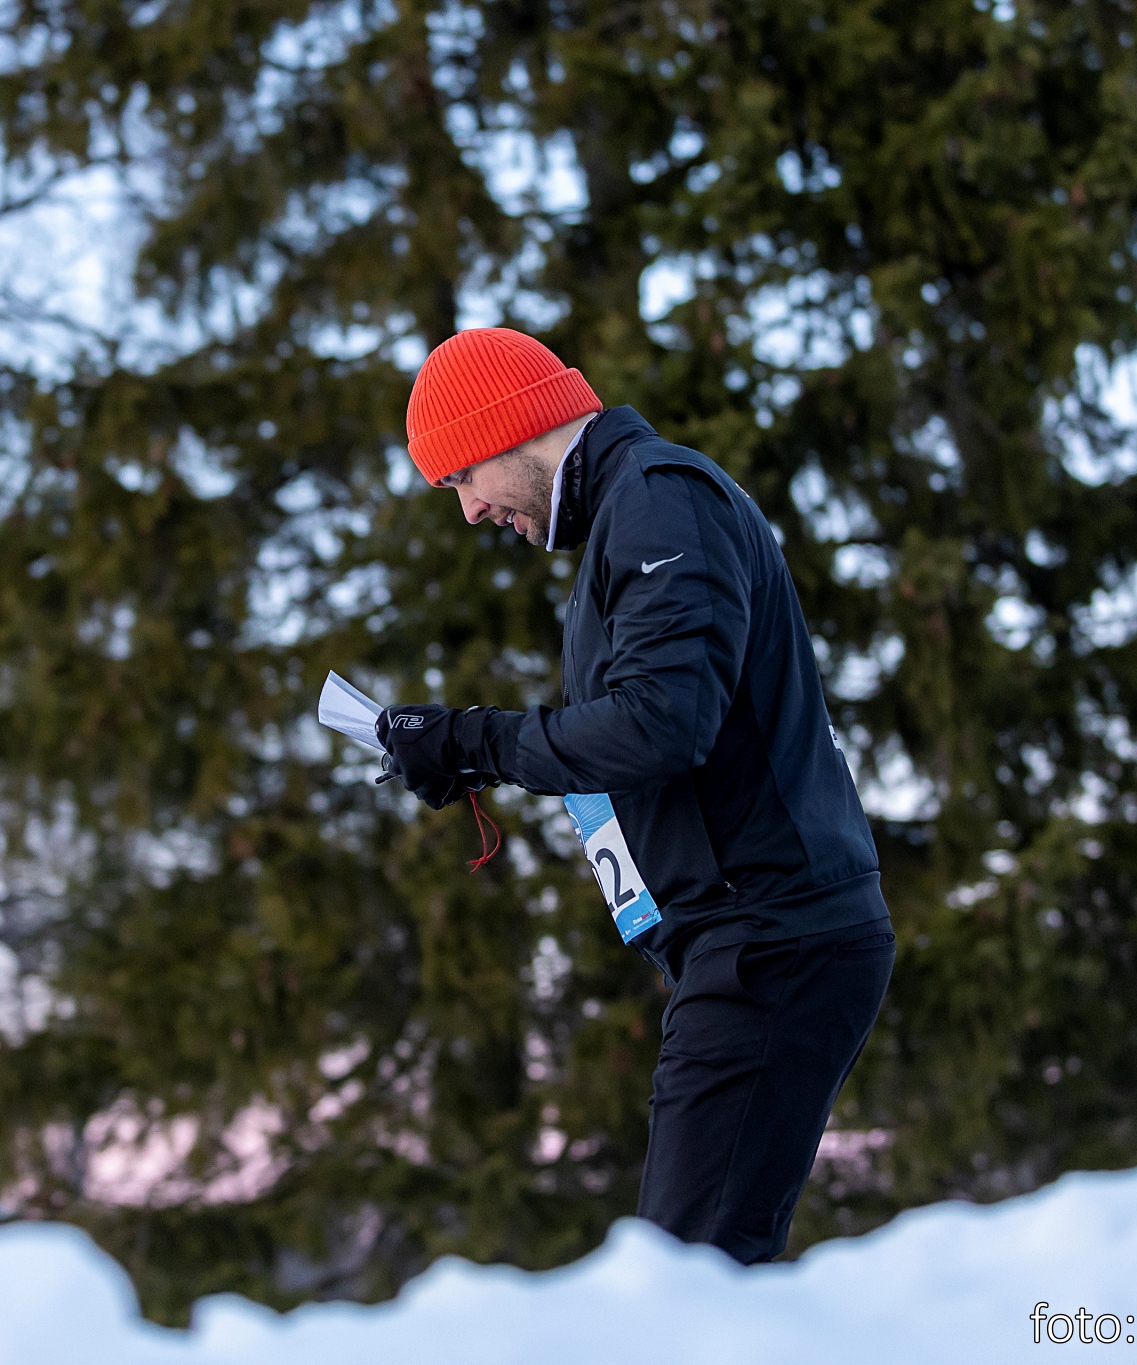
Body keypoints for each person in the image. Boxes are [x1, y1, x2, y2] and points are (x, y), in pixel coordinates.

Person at [374, 327, 895, 1265]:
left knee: (686, 1283)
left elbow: (662, 722)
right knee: (702, 1274)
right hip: (738, 943)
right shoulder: (630, 515)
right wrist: (467, 753)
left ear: (508, 429)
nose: (471, 510)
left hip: (770, 939)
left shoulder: (659, 500)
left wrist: (474, 739)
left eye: (462, 476)